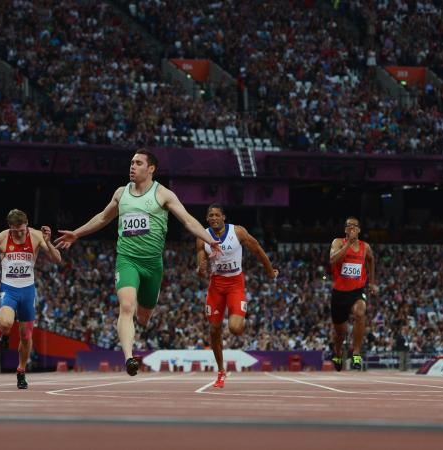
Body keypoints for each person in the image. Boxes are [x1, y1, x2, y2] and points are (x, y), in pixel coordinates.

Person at [55, 149, 222, 376]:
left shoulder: (163, 194)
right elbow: (104, 217)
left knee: (144, 318)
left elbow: (188, 220)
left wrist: (210, 240)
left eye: (138, 163)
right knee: (126, 306)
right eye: (131, 162)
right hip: (127, 260)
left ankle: (140, 327)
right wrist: (77, 233)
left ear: (151, 168)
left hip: (153, 265)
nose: (132, 166)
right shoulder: (121, 193)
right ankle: (129, 358)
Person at [0, 209, 62, 389]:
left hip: (27, 291)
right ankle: (4, 333)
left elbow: (57, 259)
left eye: (23, 230)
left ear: (27, 225)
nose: (20, 234)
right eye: (16, 231)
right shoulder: (1, 238)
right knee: (6, 323)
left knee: (26, 336)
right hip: (9, 289)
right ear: (10, 228)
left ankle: (21, 371)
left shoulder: (37, 236)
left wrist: (48, 243)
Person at [196, 204, 278, 388]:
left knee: (234, 328)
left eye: (217, 215)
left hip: (235, 285)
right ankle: (220, 371)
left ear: (224, 217)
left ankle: (241, 321)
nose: (214, 218)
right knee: (214, 330)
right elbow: (200, 265)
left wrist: (270, 271)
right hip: (216, 286)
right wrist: (200, 269)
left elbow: (257, 250)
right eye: (211, 215)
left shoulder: (238, 232)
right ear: (207, 219)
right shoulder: (202, 237)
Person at [328, 216, 377, 371]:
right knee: (340, 333)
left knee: (360, 312)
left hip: (357, 291)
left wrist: (372, 282)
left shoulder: (365, 247)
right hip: (339, 293)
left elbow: (371, 260)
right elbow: (333, 260)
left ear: (359, 230)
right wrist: (348, 244)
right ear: (345, 230)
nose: (352, 228)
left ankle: (356, 352)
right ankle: (337, 351)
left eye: (355, 226)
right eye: (349, 226)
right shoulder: (337, 242)